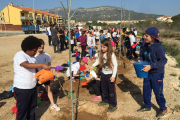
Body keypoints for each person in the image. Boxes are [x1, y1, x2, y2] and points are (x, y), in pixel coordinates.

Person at [13, 36, 50, 120]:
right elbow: (26, 65)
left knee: (32, 108)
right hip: (22, 88)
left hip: (32, 87)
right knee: (22, 110)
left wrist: (45, 74)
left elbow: (36, 72)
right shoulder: (20, 55)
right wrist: (42, 65)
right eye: (34, 50)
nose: (35, 52)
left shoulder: (33, 58)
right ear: (28, 48)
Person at [137, 27, 167, 118]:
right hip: (147, 73)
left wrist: (151, 66)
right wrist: (140, 59)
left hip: (157, 73)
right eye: (145, 35)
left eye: (146, 36)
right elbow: (142, 54)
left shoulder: (159, 47)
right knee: (146, 90)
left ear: (153, 37)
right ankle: (147, 106)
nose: (144, 37)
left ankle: (163, 108)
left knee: (158, 92)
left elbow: (163, 60)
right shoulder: (145, 45)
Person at [90, 38, 118, 112]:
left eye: (104, 47)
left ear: (108, 47)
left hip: (110, 75)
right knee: (104, 88)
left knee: (111, 91)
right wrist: (93, 65)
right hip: (103, 74)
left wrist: (113, 76)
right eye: (101, 46)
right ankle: (105, 100)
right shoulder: (101, 53)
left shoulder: (112, 54)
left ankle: (113, 104)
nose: (102, 48)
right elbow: (98, 61)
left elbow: (115, 65)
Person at [35, 39, 60, 111]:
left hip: (46, 76)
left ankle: (53, 104)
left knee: (49, 90)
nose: (41, 49)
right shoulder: (33, 57)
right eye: (39, 48)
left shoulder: (47, 55)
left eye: (42, 48)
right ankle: (35, 103)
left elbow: (50, 67)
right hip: (38, 77)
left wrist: (51, 77)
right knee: (36, 91)